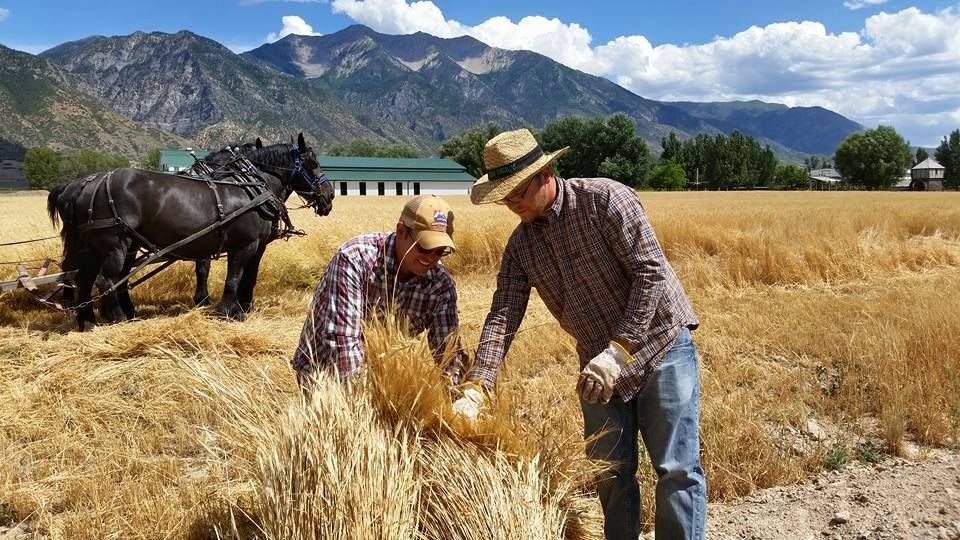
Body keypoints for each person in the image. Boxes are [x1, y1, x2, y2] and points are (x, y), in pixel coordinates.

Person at [453, 128, 706, 540]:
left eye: (516, 190)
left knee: (676, 469)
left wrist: (620, 350)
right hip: (596, 364)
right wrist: (478, 386)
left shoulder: (605, 200)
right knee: (610, 474)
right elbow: (503, 314)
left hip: (661, 346)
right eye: (504, 195)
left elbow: (650, 272)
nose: (511, 202)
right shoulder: (521, 247)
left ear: (545, 173)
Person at [292, 195, 467, 387]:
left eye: (440, 250)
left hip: (383, 378)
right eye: (424, 246)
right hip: (323, 374)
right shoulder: (354, 259)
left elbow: (448, 355)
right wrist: (374, 400)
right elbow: (343, 342)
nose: (432, 258)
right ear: (401, 231)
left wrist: (457, 396)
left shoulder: (441, 285)